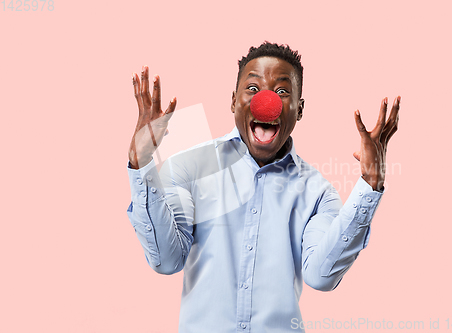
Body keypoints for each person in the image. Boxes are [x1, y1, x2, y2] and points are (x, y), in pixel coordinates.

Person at [126, 42, 400, 333]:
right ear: (233, 101)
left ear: (300, 108)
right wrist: (141, 163)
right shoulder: (187, 168)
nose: (265, 103)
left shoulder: (318, 192)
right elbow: (166, 261)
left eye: (282, 92)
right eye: (253, 89)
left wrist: (370, 183)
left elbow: (322, 276)